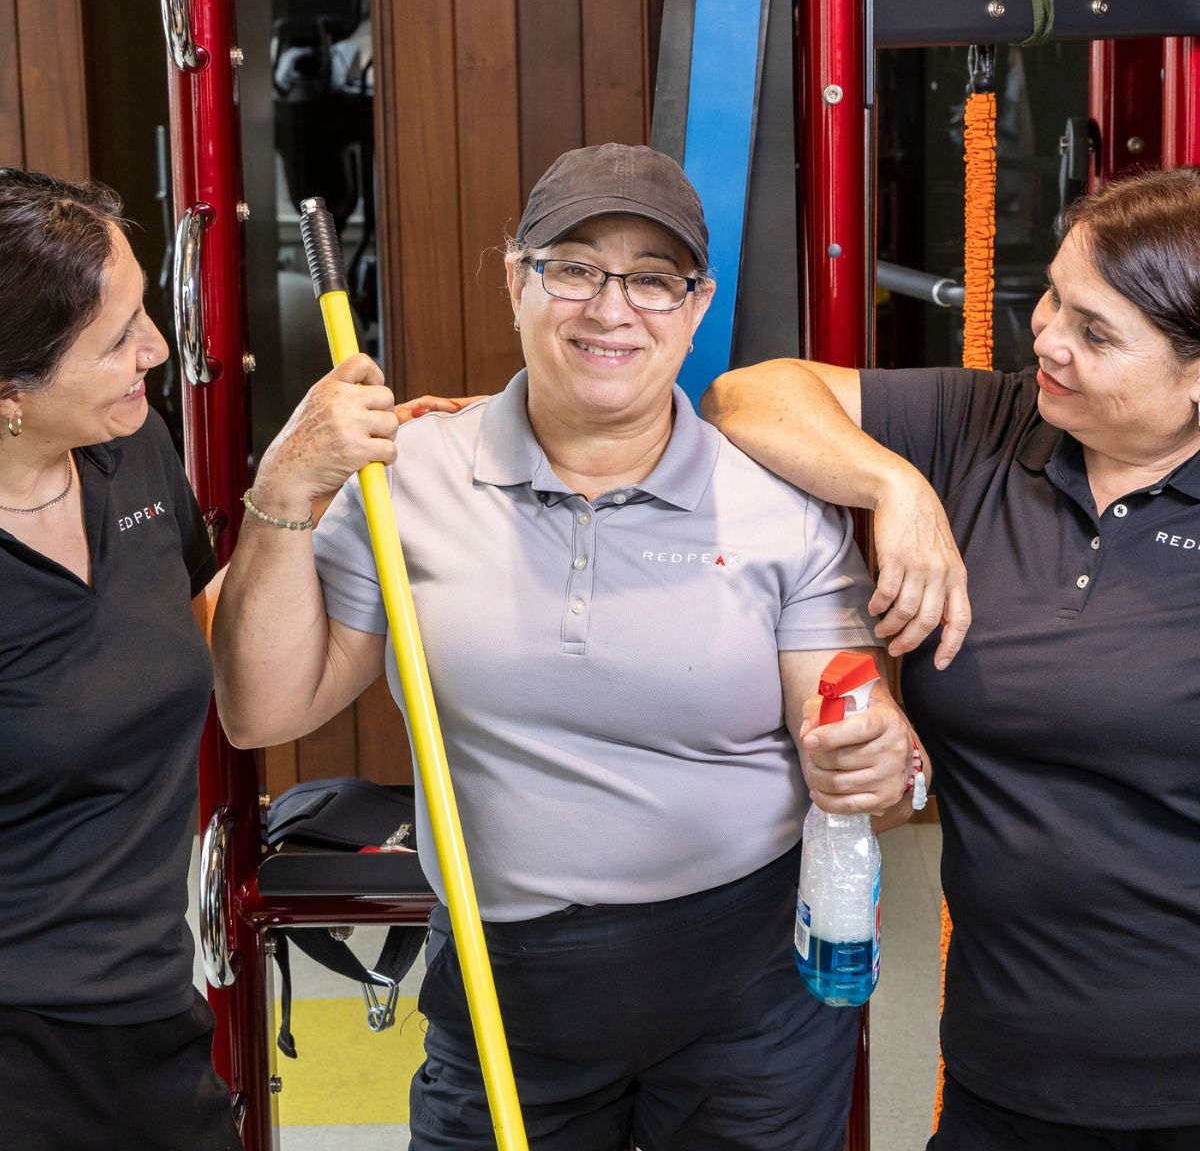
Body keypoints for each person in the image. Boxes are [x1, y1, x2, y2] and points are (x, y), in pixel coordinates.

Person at [212, 142, 921, 1151]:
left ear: (697, 306)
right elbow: (263, 710)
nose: (611, 309)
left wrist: (872, 761)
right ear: (516, 281)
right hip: (501, 985)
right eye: (575, 268)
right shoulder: (405, 475)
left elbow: (850, 730)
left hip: (748, 987)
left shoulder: (778, 504)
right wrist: (286, 486)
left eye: (653, 280)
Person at [703, 166, 1200, 1151]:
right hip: (1004, 1071)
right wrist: (896, 487)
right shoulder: (989, 426)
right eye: (1054, 296)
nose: (1047, 337)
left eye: (1096, 333)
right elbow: (745, 396)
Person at [0, 170, 240, 1150]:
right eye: (117, 340)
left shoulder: (131, 449)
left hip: (153, 1015)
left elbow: (216, 636)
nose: (159, 349)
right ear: (10, 394)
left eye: (145, 311)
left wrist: (310, 500)